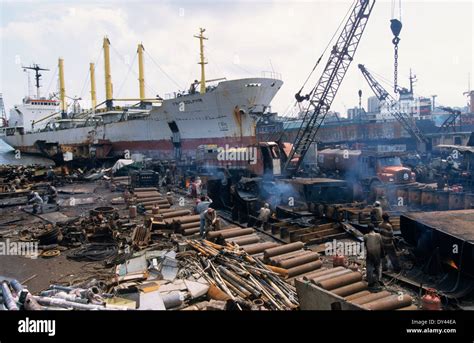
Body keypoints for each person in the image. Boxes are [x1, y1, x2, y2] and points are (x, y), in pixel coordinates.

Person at [363, 224, 383, 288]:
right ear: (374, 228)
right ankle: (379, 280)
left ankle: (370, 282)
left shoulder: (366, 236)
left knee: (369, 268)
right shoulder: (379, 235)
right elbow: (381, 245)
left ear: (368, 229)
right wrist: (382, 254)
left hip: (370, 255)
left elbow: (365, 245)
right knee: (378, 267)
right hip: (378, 254)